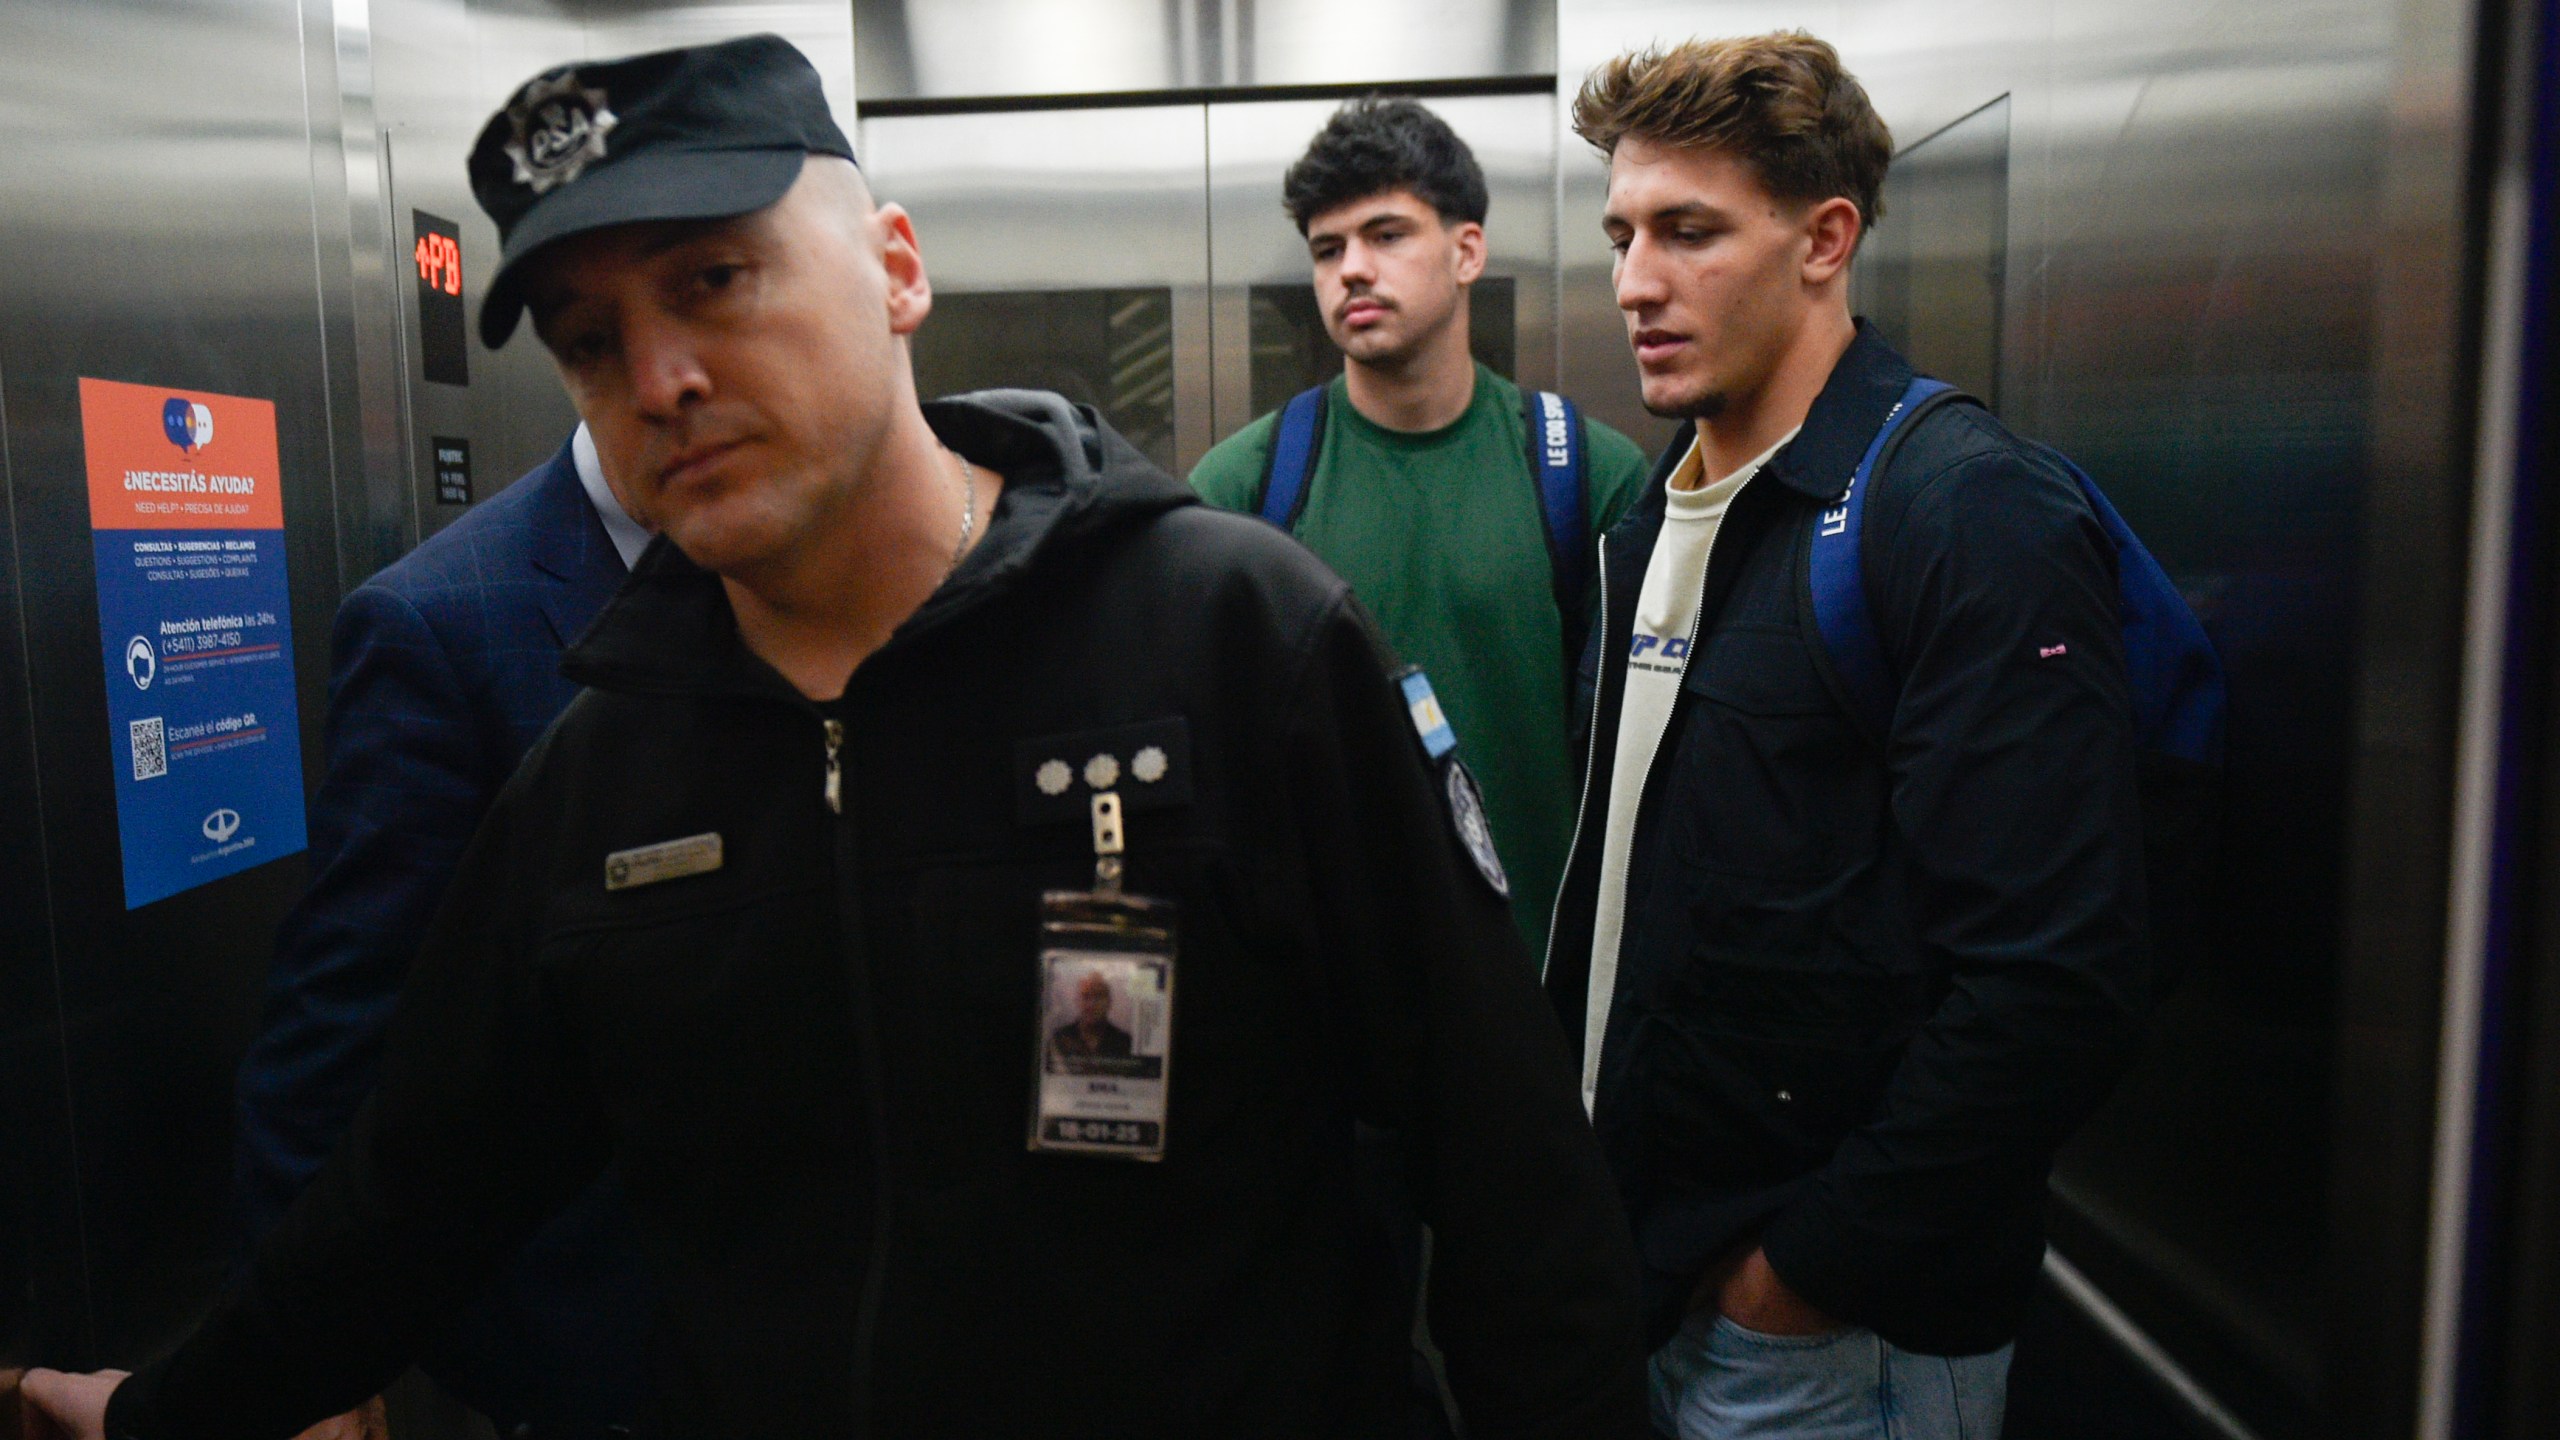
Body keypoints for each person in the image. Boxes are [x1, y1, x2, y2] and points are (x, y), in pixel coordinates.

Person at [24, 33, 1645, 1440]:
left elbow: (1511, 1189)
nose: (656, 376)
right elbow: (413, 1194)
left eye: (713, 281)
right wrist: (172, 1413)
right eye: (592, 341)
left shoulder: (1233, 640)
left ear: (895, 266)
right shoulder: (607, 772)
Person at [1542, 34, 2152, 1440]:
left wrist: (1802, 1274)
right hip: (1662, 1287)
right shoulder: (1657, 523)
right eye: (1623, 233)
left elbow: (2053, 979)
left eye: (1691, 232)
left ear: (1826, 239)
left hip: (1832, 1345)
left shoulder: (1960, 511)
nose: (1636, 282)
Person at [229, 420, 654, 1440]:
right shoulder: (443, 620)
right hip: (604, 1348)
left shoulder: (828, 570)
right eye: (602, 335)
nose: (673, 374)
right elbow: (340, 1022)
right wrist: (305, 1364)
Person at [1189, 97, 1652, 957]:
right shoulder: (1244, 487)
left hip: (1539, 981)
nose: (1351, 270)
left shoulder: (1588, 476)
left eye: (1387, 235)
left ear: (1467, 249)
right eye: (1328, 250)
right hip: (1331, 999)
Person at [1049, 971, 1134, 1062]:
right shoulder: (1059, 1039)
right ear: (1077, 1000)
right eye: (1086, 996)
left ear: (1109, 1002)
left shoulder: (1125, 1043)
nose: (1091, 1004)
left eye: (1098, 997)